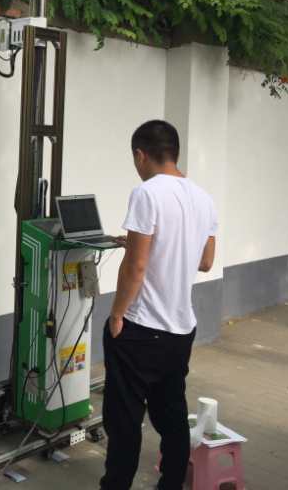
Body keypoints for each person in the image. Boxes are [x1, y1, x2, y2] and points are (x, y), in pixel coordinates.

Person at [100, 120, 218, 490]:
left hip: (140, 328)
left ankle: (116, 485)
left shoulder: (146, 193)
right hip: (180, 329)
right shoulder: (204, 198)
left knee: (124, 419)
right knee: (171, 414)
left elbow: (136, 267)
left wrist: (117, 314)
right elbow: (205, 261)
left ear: (141, 155)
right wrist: (153, 247)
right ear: (174, 153)